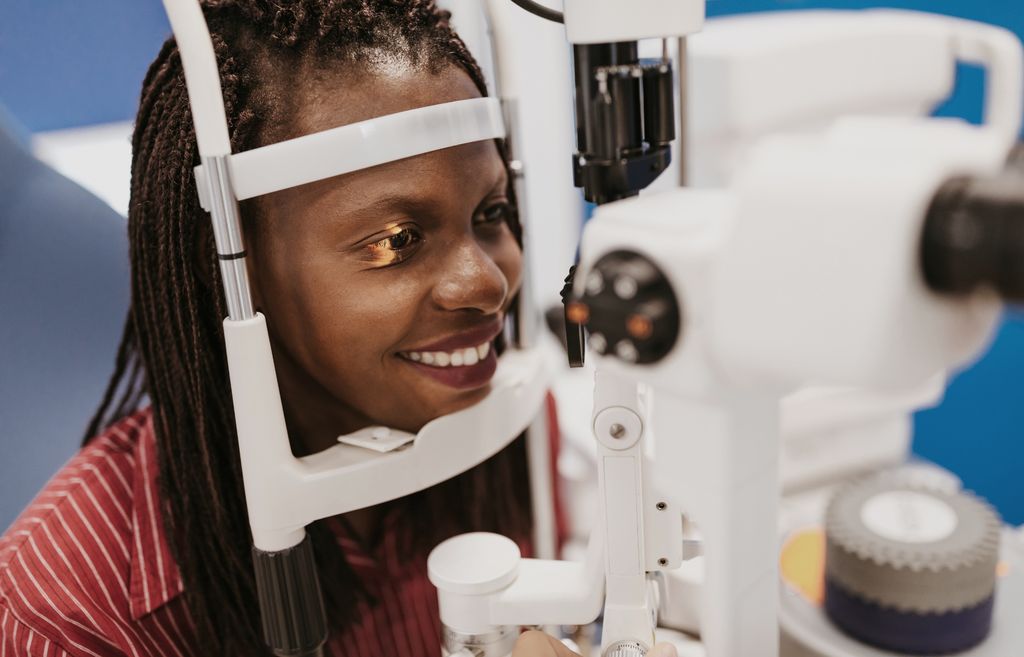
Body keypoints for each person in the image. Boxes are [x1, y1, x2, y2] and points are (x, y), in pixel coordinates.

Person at [0, 2, 679, 656]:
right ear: (233, 267)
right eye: (396, 240)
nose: (487, 284)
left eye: (492, 211)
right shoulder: (69, 616)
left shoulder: (503, 424)